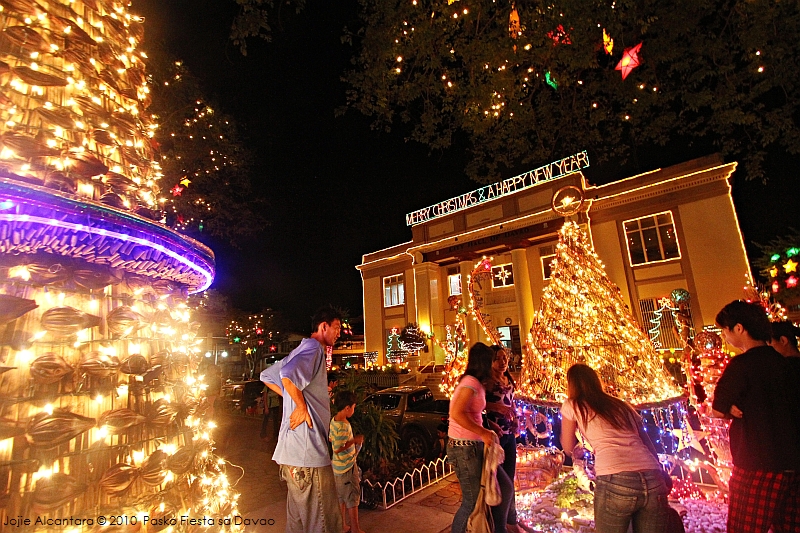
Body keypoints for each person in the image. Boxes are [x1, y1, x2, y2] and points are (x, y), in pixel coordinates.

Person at [711, 301, 800, 533]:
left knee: (744, 527)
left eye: (725, 330)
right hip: (793, 462)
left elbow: (717, 409)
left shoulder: (741, 365)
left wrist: (729, 409)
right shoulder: (786, 364)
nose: (724, 336)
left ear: (739, 328)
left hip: (756, 463)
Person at [260, 307, 344, 533]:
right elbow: (287, 376)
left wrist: (293, 397)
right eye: (336, 328)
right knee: (322, 523)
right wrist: (300, 405)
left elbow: (267, 376)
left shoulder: (299, 350)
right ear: (323, 326)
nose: (339, 333)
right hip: (308, 455)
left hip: (292, 456)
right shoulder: (315, 348)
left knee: (297, 524)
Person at [560, 363, 671, 533]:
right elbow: (647, 443)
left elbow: (568, 447)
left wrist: (579, 447)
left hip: (615, 479)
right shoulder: (621, 405)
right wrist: (661, 473)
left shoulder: (573, 405)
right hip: (652, 477)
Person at [448, 342, 515, 533]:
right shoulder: (470, 382)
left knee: (505, 487)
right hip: (464, 447)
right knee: (471, 500)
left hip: (474, 445)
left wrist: (488, 425)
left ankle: (498, 528)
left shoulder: (475, 383)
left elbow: (472, 412)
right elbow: (457, 413)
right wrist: (483, 432)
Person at [486, 345, 521, 531]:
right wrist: (496, 408)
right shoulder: (486, 381)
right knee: (501, 484)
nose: (503, 362)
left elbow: (511, 401)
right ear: (490, 362)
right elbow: (478, 405)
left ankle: (511, 520)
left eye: (504, 358)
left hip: (510, 435)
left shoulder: (507, 378)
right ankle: (499, 524)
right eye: (498, 358)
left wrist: (516, 419)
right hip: (495, 436)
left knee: (510, 478)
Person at [330, 390, 365, 533]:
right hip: (347, 467)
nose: (354, 410)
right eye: (354, 407)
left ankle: (342, 525)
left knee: (341, 498)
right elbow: (337, 447)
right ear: (347, 408)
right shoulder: (344, 426)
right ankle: (355, 529)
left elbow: (331, 439)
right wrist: (353, 441)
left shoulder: (334, 421)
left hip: (337, 467)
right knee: (352, 498)